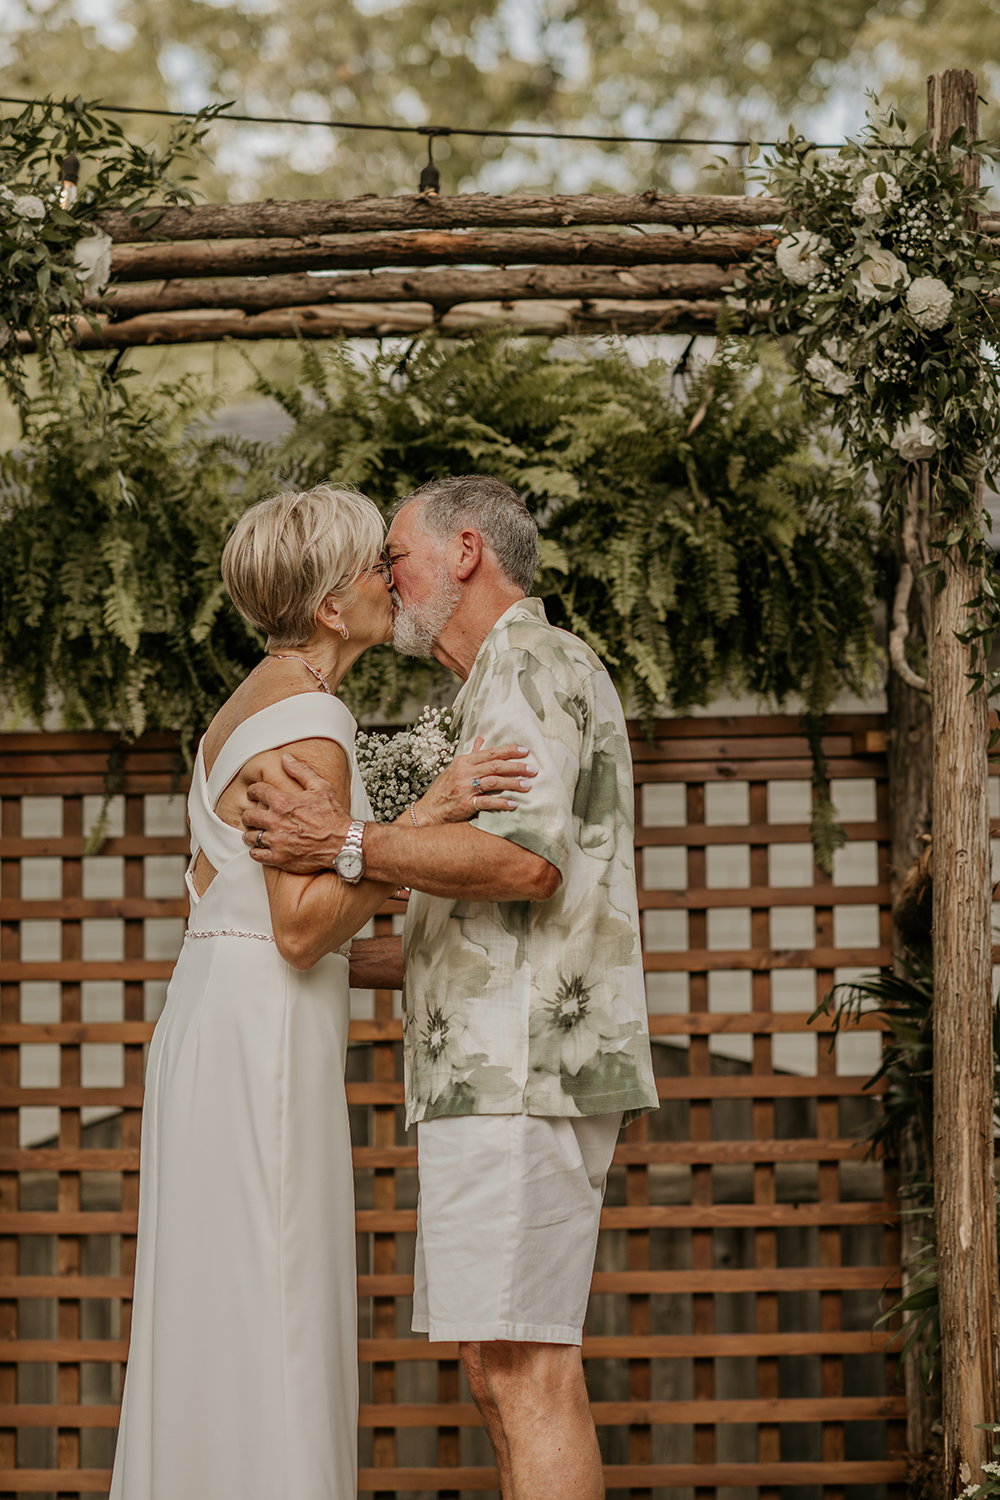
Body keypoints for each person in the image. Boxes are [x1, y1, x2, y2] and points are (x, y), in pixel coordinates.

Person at [109, 483, 532, 1500]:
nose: (394, 581)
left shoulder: (249, 703)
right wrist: (423, 821)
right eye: (372, 567)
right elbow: (303, 931)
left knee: (224, 1303)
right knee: (278, 1299)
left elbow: (258, 908)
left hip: (215, 1013)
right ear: (333, 607)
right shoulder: (315, 716)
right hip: (263, 1036)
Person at [242, 474, 659, 1500]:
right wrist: (276, 957)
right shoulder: (496, 686)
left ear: (465, 552)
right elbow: (471, 923)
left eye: (398, 554)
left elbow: (524, 867)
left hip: (521, 1071)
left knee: (524, 1367)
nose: (386, 576)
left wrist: (341, 842)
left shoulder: (531, 664)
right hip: (497, 1069)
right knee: (496, 1361)